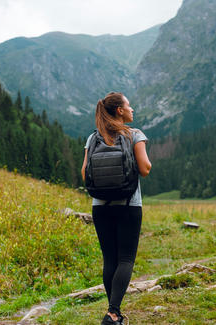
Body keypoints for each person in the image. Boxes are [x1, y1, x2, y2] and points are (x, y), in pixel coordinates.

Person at [81, 92, 152, 325]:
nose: (132, 109)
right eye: (129, 106)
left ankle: (114, 312)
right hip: (129, 204)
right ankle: (113, 313)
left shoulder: (93, 139)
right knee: (126, 259)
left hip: (99, 207)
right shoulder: (134, 134)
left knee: (109, 259)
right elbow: (144, 168)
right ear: (119, 111)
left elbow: (84, 173)